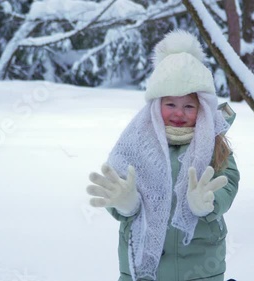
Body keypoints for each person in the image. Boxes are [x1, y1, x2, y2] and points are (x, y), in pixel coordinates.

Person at [86, 30, 240, 281]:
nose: (179, 113)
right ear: (156, 104)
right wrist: (126, 205)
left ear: (203, 107)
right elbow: (117, 187)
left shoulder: (213, 144)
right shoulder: (136, 142)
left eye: (189, 106)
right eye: (171, 104)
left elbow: (229, 181)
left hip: (200, 267)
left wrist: (209, 202)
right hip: (143, 269)